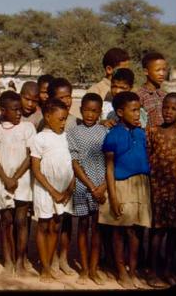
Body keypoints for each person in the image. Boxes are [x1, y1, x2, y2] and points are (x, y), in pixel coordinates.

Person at [98, 91, 152, 289]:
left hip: (141, 185)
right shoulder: (113, 135)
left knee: (137, 231)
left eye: (139, 110)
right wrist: (112, 197)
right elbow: (110, 167)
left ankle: (133, 269)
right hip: (121, 186)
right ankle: (122, 272)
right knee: (121, 231)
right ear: (120, 112)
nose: (138, 114)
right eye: (134, 110)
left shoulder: (141, 132)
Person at [0, 91, 36, 276]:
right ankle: (8, 260)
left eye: (20, 110)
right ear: (3, 110)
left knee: (21, 221)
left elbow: (30, 155)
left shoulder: (28, 128)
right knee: (6, 221)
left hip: (22, 181)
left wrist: (15, 177)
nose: (19, 113)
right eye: (15, 110)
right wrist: (6, 179)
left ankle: (20, 261)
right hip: (2, 182)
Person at [29, 98, 75, 283]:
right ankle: (45, 267)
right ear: (48, 117)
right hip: (45, 190)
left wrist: (69, 188)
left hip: (65, 190)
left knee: (56, 225)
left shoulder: (68, 137)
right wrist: (53, 191)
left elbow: (74, 164)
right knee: (43, 225)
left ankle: (50, 261)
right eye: (60, 119)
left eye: (65, 119)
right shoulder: (39, 139)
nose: (63, 123)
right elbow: (36, 169)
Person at [66, 93, 108, 285]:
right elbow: (74, 162)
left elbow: (111, 162)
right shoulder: (73, 132)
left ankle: (94, 268)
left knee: (97, 229)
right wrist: (91, 187)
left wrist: (103, 187)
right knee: (82, 227)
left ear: (100, 113)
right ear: (80, 110)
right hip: (84, 187)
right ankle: (83, 268)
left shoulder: (105, 132)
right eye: (86, 110)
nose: (90, 114)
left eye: (94, 111)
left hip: (102, 186)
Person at [146, 92, 176, 288]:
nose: (169, 112)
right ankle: (152, 270)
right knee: (157, 232)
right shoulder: (152, 131)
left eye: (174, 108)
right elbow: (147, 158)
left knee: (174, 233)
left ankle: (169, 270)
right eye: (166, 107)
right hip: (157, 190)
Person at [40, 77, 79, 275]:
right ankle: (51, 258)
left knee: (66, 222)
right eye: (62, 97)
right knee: (50, 221)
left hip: (69, 180)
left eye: (69, 96)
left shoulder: (76, 121)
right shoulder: (45, 123)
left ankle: (63, 257)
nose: (67, 100)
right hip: (50, 182)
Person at [136, 52, 168, 127]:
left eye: (164, 70)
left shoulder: (165, 95)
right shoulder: (139, 96)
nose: (162, 74)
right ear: (146, 71)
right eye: (158, 70)